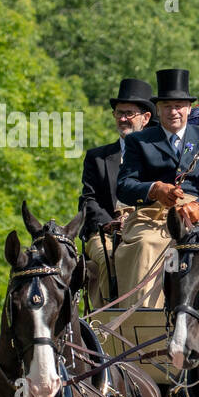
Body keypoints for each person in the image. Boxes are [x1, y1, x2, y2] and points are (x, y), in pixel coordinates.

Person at [115, 68, 199, 308]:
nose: (174, 112)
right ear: (157, 109)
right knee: (148, 245)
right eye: (168, 106)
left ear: (189, 108)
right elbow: (124, 186)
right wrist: (154, 188)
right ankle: (144, 315)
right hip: (153, 216)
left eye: (179, 106)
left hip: (196, 219)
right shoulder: (139, 141)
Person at [80, 77, 155, 308]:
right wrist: (109, 223)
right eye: (119, 113)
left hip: (145, 226)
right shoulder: (98, 157)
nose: (123, 118)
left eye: (129, 113)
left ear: (146, 118)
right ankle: (106, 319)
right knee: (109, 258)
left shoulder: (157, 156)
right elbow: (88, 201)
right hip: (105, 232)